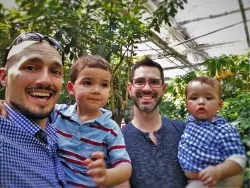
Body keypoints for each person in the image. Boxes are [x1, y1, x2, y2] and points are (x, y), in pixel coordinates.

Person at [50, 55, 132, 187]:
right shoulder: (58, 113)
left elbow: (125, 167)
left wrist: (107, 176)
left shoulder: (110, 128)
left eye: (104, 85)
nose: (96, 90)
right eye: (87, 82)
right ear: (71, 88)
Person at [0, 32, 66, 187]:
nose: (45, 80)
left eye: (55, 71)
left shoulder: (56, 126)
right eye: (30, 67)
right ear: (4, 77)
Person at [121, 57, 187, 188]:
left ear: (163, 88)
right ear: (130, 88)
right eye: (139, 82)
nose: (146, 88)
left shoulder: (185, 131)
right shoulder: (118, 141)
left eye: (154, 82)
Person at [178, 76, 246, 188]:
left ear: (219, 105)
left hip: (213, 181)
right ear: (187, 105)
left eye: (209, 98)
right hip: (192, 179)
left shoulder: (223, 130)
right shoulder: (190, 122)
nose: (201, 102)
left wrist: (218, 171)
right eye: (194, 98)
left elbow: (238, 159)